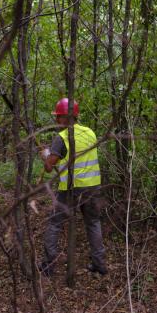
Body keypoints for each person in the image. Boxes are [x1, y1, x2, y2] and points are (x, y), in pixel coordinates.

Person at [39, 97, 107, 277]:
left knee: (55, 223)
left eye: (59, 116)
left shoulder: (61, 138)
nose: (56, 120)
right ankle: (99, 264)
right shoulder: (90, 133)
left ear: (66, 117)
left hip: (70, 189)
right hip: (92, 188)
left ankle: (48, 265)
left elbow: (48, 167)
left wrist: (45, 156)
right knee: (93, 223)